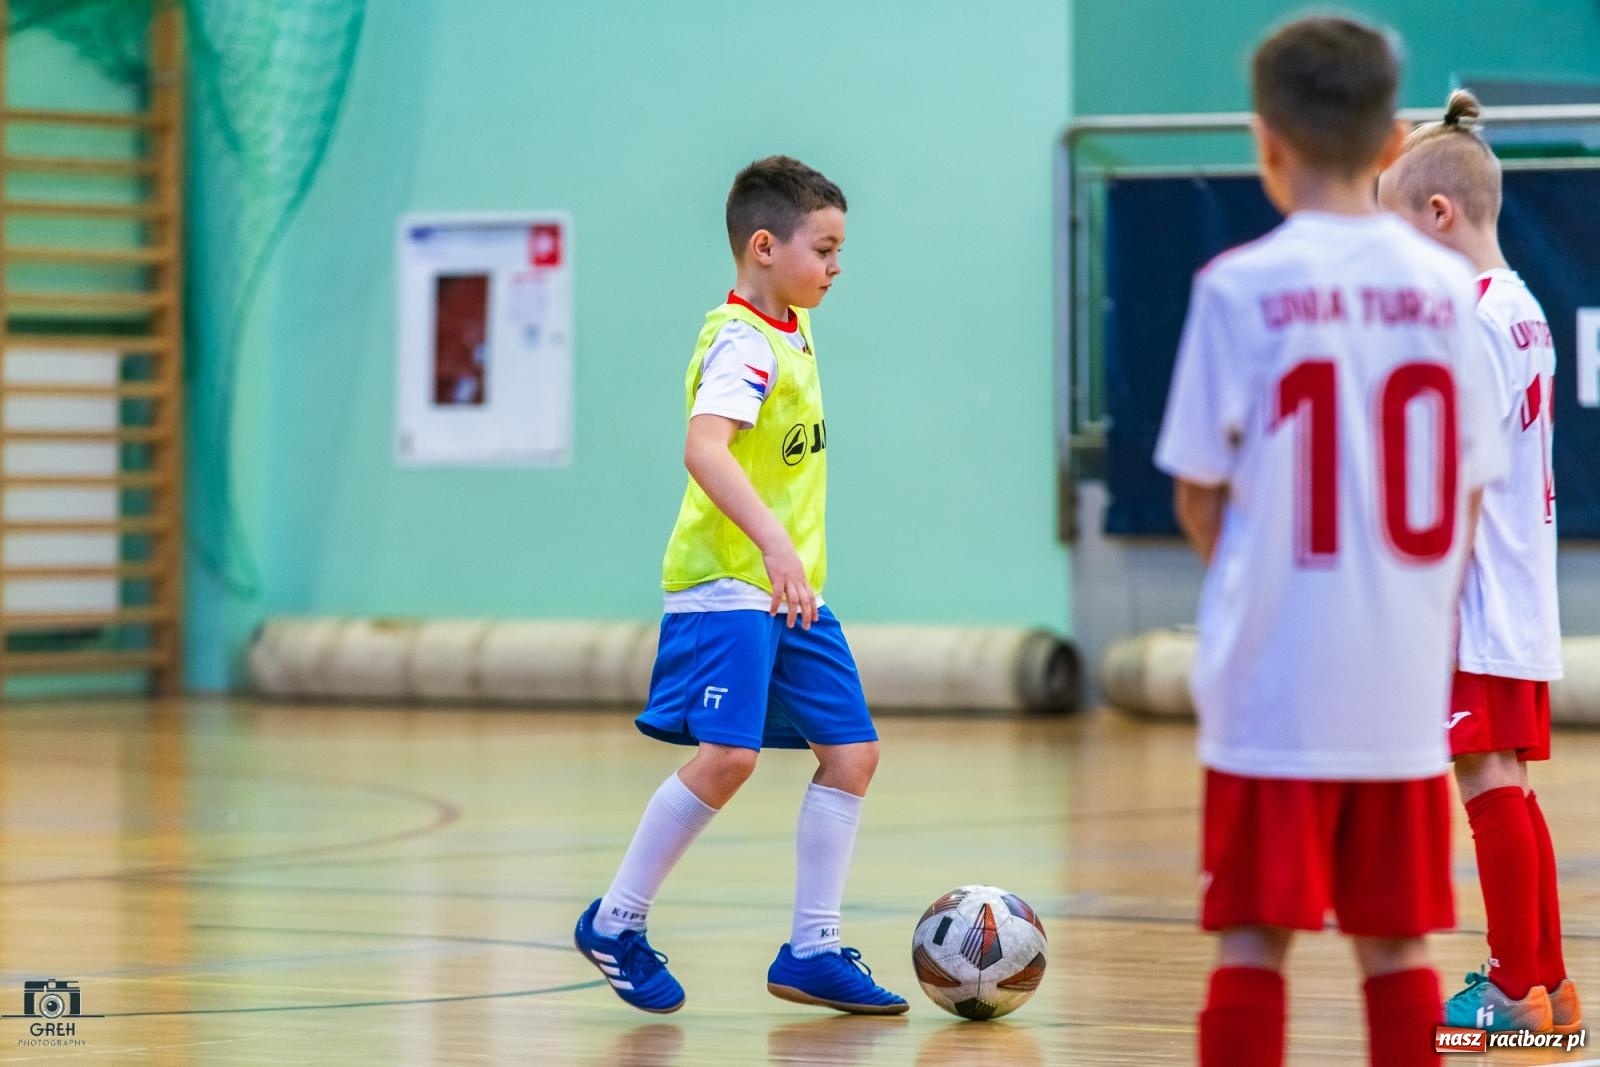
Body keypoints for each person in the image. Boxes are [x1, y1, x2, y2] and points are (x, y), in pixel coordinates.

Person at [1154, 17, 1508, 1066]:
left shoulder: (1236, 286)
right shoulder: (1450, 293)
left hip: (1271, 684)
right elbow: (1469, 497)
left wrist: (1266, 586)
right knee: (1397, 946)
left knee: (1251, 939)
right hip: (1398, 682)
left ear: (1265, 142)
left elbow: (1197, 496)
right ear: (1393, 139)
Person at [572, 155, 906, 1017]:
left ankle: (813, 949)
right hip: (727, 584)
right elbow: (705, 448)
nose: (836, 266)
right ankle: (614, 921)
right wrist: (774, 545)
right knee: (729, 756)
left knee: (853, 753)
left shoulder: (792, 327)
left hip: (788, 591)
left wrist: (790, 564)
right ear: (764, 247)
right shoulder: (742, 344)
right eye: (824, 249)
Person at [1379, 89, 1579, 1037]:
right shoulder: (1523, 306)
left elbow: (1449, 473)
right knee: (1509, 783)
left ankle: (1510, 993)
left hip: (1476, 592)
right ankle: (1547, 986)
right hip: (1517, 586)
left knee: (1486, 780)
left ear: (1437, 214)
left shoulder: (1471, 319)